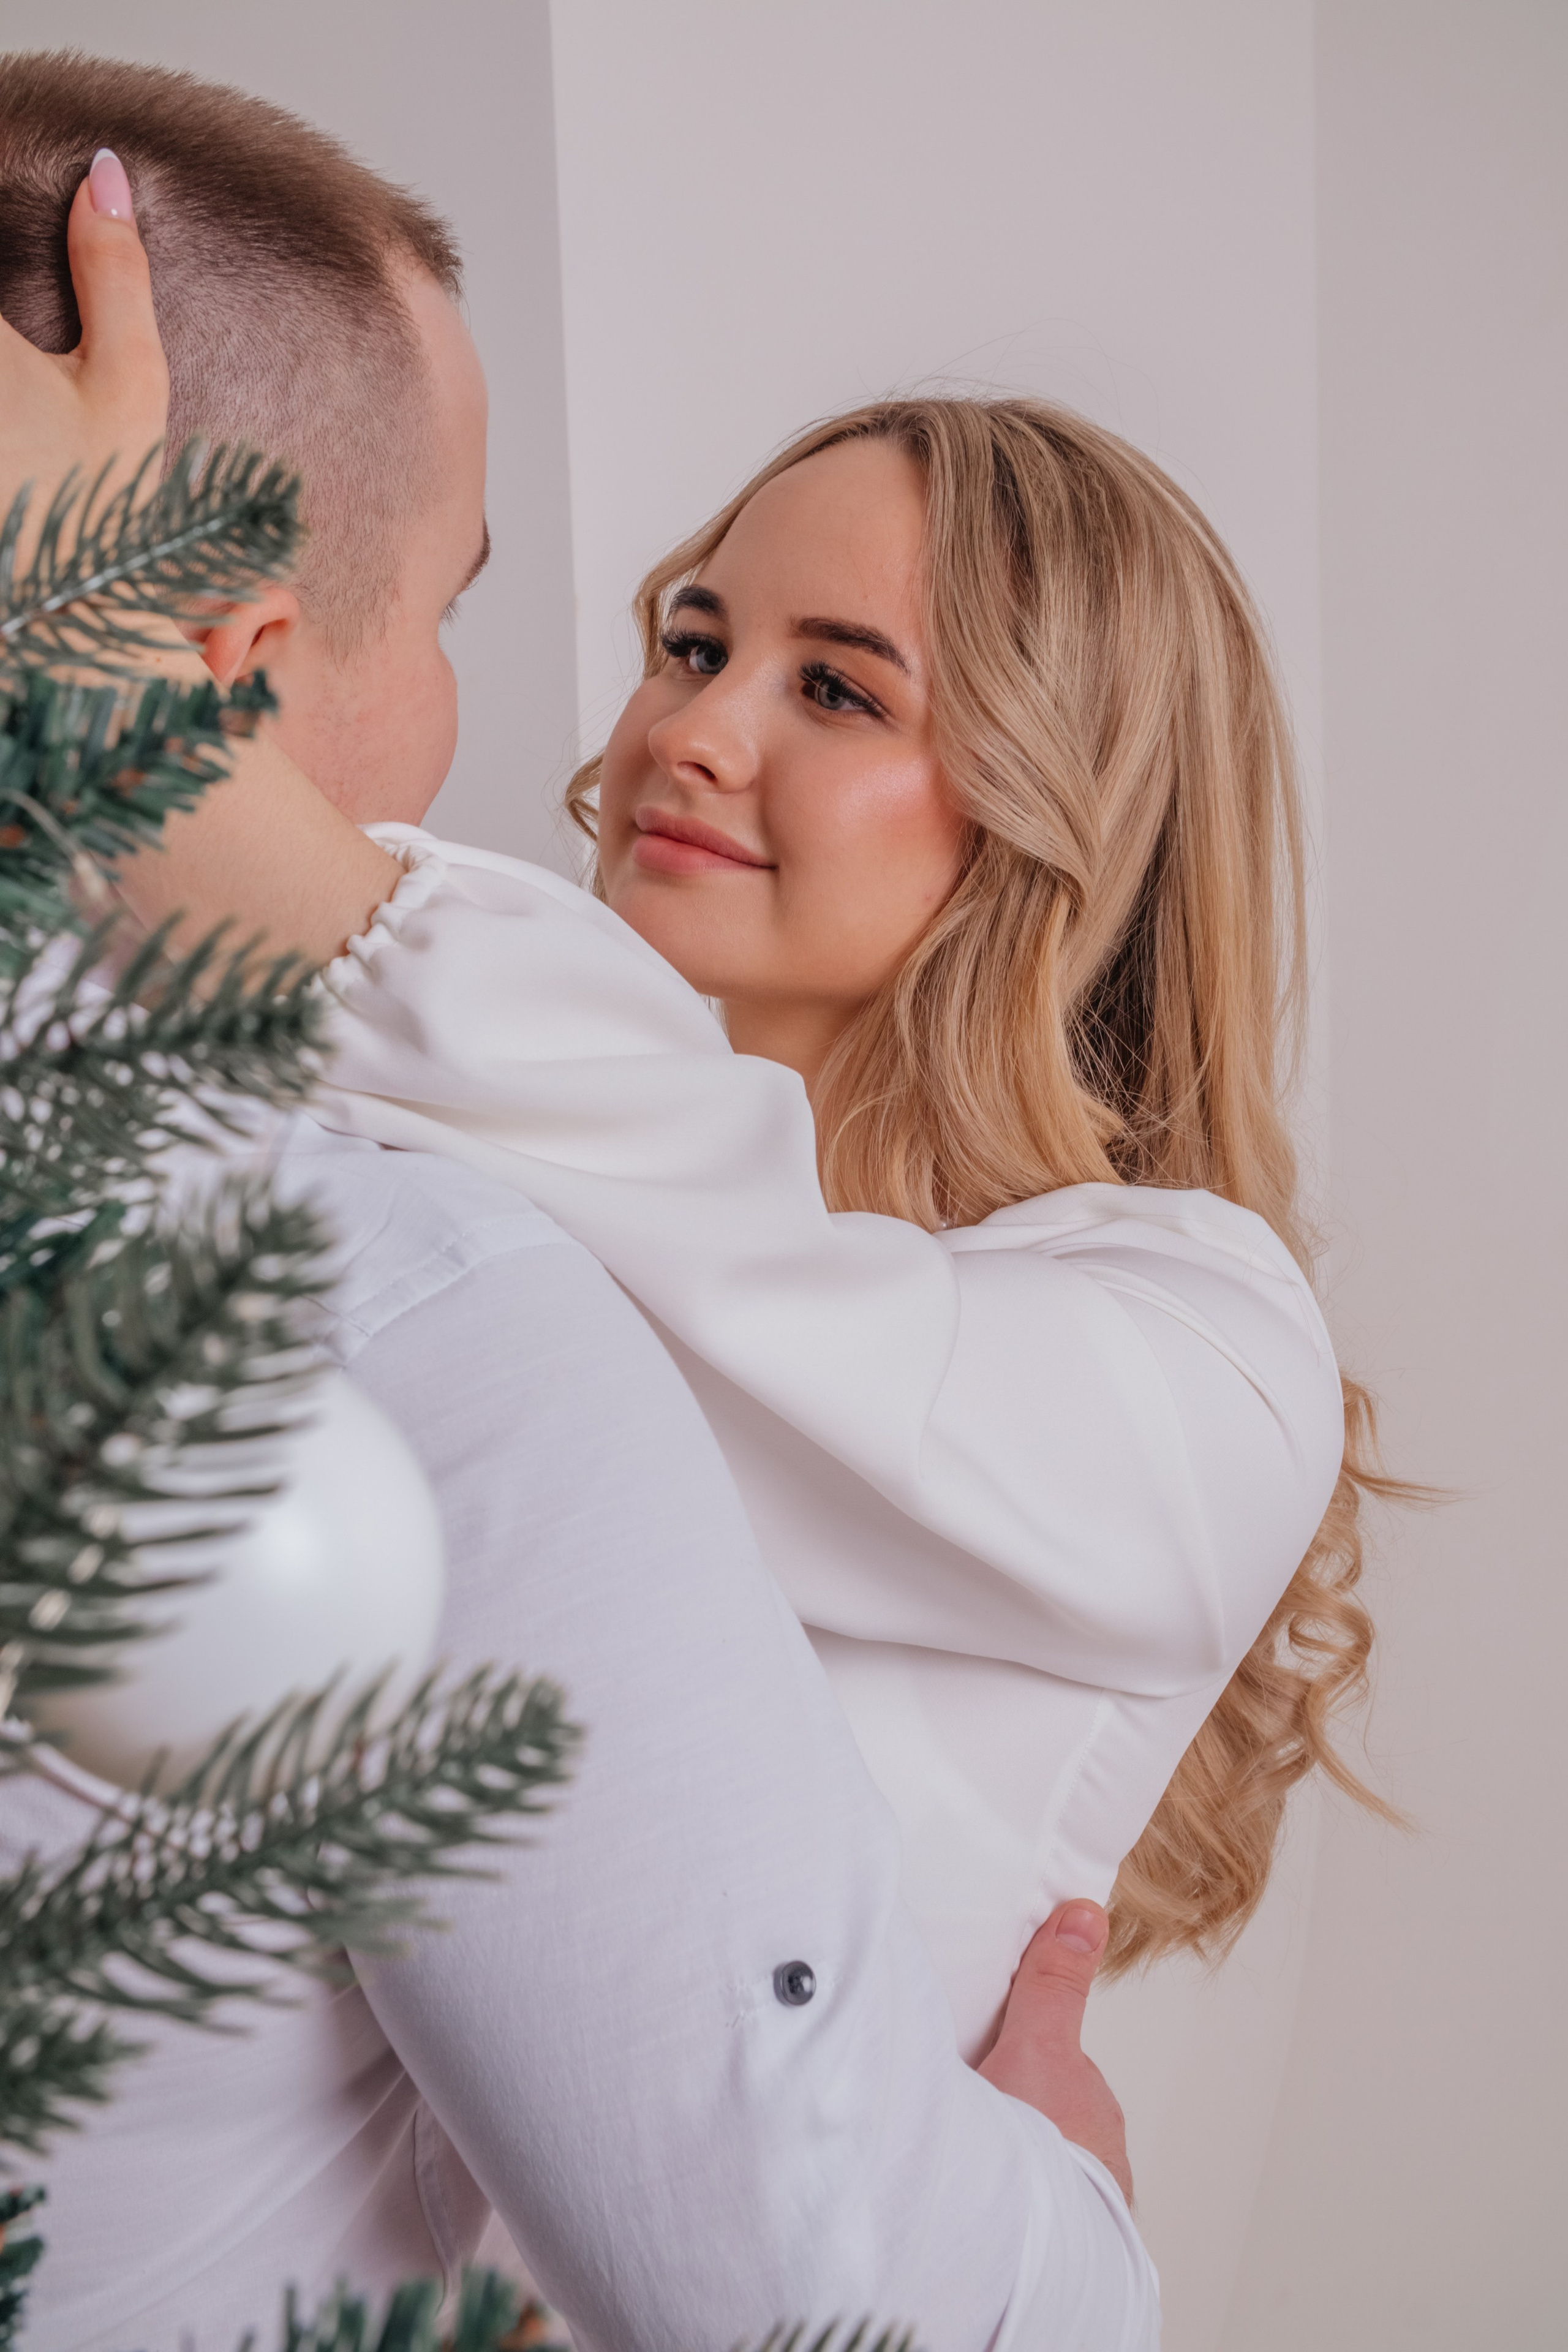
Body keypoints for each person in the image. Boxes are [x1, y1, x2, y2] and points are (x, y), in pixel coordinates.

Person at [0, 65, 1158, 2352]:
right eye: (684, 637)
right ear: (227, 666)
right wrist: (1070, 2222)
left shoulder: (1166, 1320)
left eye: (840, 684)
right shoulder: (400, 1301)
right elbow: (835, 2309)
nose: (683, 732)